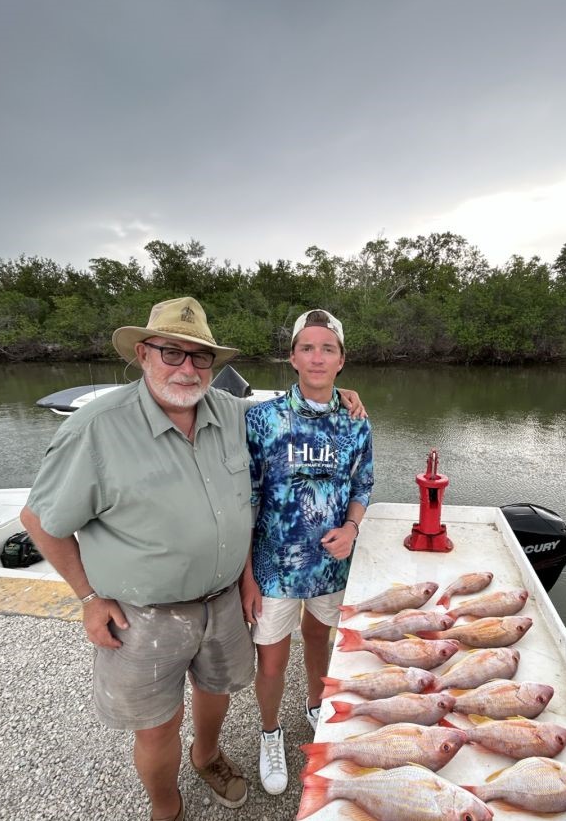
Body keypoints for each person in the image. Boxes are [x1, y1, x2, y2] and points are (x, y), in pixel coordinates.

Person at [20, 297, 363, 821]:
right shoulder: (96, 427)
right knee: (156, 725)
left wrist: (342, 397)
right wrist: (89, 598)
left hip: (223, 600)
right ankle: (166, 806)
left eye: (199, 357)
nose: (186, 368)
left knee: (216, 692)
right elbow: (40, 521)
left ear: (213, 366)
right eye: (170, 353)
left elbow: (300, 411)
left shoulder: (229, 412)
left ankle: (207, 756)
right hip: (143, 613)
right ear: (142, 353)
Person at [239, 308, 374, 796]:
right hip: (273, 566)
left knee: (320, 639)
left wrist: (352, 529)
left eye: (328, 348)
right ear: (292, 356)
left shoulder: (356, 420)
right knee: (271, 660)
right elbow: (248, 499)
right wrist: (247, 573)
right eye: (307, 347)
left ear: (341, 360)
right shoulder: (261, 418)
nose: (317, 357)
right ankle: (270, 732)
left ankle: (318, 705)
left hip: (330, 566)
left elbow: (364, 483)